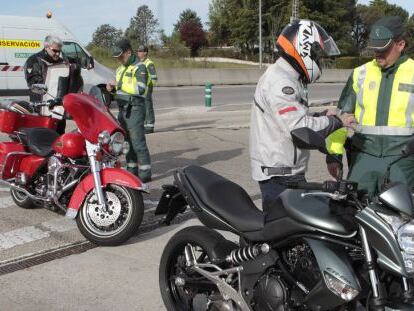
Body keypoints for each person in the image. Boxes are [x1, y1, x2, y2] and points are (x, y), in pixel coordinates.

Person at [249, 19, 356, 215]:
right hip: (279, 177)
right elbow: (298, 129)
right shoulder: (280, 82)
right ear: (304, 49)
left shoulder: (289, 76)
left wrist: (321, 115)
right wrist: (337, 121)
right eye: (318, 56)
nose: (320, 60)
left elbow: (291, 118)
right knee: (283, 236)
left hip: (287, 173)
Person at [326, 16, 414, 196]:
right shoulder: (360, 74)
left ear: (401, 44)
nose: (378, 54)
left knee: (401, 219)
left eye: (384, 49)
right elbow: (342, 116)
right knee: (354, 213)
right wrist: (334, 154)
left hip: (403, 162)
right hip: (363, 159)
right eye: (375, 48)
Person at [106, 39, 152, 182]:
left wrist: (119, 84)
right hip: (123, 110)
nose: (119, 59)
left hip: (135, 109)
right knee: (127, 144)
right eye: (117, 57)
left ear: (128, 52)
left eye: (121, 56)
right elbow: (120, 93)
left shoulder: (140, 67)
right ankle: (132, 170)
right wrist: (112, 90)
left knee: (138, 143)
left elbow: (140, 89)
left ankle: (145, 173)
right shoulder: (120, 69)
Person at [24, 35, 83, 134]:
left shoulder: (62, 62)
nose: (57, 54)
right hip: (42, 107)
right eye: (54, 51)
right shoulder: (34, 60)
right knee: (44, 136)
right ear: (46, 47)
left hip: (59, 107)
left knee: (59, 135)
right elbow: (33, 83)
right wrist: (44, 86)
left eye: (59, 51)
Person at [137, 45, 158, 134]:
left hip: (147, 88)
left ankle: (150, 126)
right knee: (143, 107)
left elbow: (154, 77)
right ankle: (145, 125)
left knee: (148, 107)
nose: (139, 53)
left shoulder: (149, 63)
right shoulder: (139, 62)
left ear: (145, 53)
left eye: (141, 51)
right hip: (141, 89)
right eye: (138, 51)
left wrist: (149, 86)